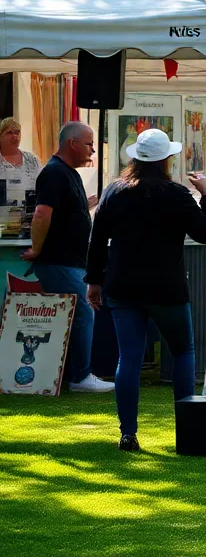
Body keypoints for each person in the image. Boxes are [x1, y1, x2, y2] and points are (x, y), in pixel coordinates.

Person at [85, 129, 206, 451]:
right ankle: (188, 430)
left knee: (128, 357)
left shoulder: (114, 191)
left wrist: (94, 281)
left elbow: (97, 240)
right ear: (166, 159)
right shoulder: (175, 193)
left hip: (123, 285)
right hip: (166, 286)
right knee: (183, 351)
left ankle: (127, 431)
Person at [23, 122, 111, 393]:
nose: (93, 149)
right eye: (89, 143)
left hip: (71, 260)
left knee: (81, 313)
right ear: (72, 143)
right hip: (58, 260)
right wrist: (37, 249)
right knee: (85, 311)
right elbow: (41, 214)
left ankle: (74, 373)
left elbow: (63, 212)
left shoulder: (68, 172)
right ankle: (81, 377)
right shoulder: (54, 173)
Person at [0, 117, 42, 205]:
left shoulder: (32, 160)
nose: (14, 136)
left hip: (30, 213)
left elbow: (42, 187)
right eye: (9, 133)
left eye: (17, 132)